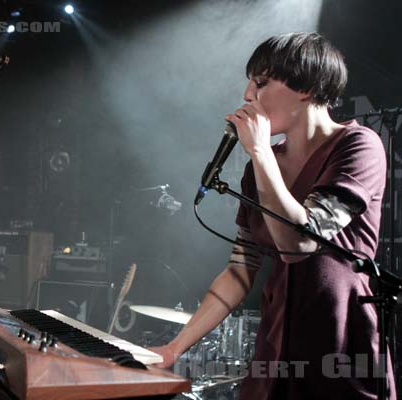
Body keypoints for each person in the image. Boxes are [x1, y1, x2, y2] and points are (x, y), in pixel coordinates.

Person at [151, 32, 397, 399]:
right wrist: (174, 348)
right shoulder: (259, 168)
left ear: (307, 86)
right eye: (250, 82)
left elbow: (298, 242)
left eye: (262, 82)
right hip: (276, 352)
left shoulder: (358, 146)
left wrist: (261, 153)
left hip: (340, 351)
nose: (248, 94)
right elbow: (240, 269)